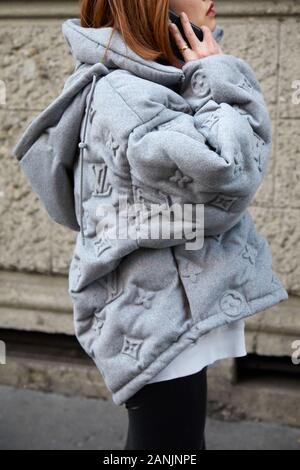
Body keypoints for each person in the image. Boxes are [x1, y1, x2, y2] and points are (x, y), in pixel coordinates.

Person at [12, 0, 288, 451]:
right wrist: (220, 76)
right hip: (156, 321)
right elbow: (228, 175)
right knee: (168, 449)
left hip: (171, 311)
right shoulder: (128, 95)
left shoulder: (146, 83)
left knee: (174, 443)